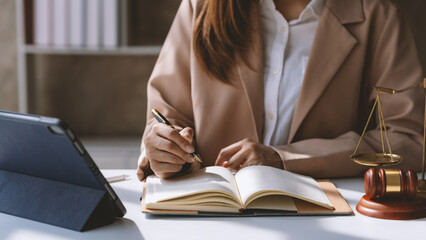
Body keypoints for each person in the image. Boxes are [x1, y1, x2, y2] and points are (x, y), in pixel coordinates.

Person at [137, 0, 424, 180]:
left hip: (322, 216)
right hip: (210, 215)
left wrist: (283, 157)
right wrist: (163, 149)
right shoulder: (200, 6)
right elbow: (165, 119)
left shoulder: (378, 14)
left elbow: (408, 141)